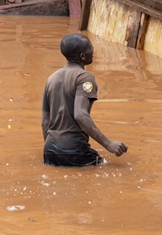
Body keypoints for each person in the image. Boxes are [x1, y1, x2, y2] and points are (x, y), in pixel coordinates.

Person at [42, 33, 128, 166]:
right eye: (90, 48)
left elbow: (45, 122)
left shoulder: (51, 79)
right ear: (82, 56)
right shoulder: (84, 78)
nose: (93, 50)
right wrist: (108, 144)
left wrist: (53, 149)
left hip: (50, 150)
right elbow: (80, 114)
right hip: (74, 150)